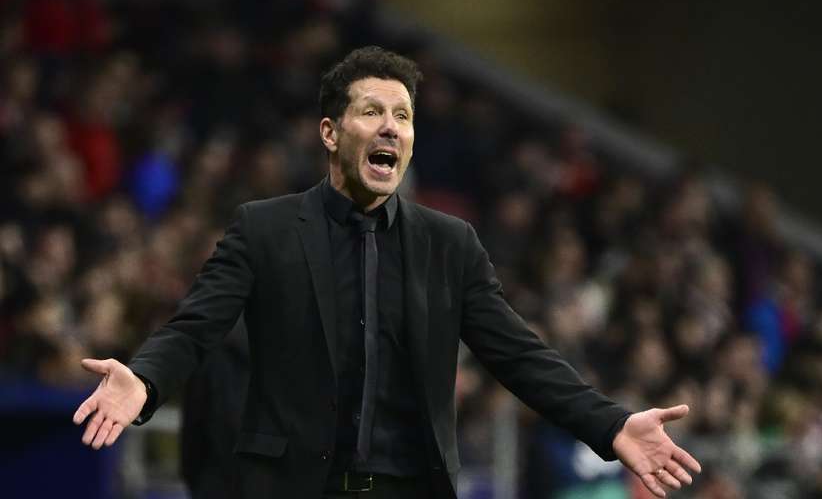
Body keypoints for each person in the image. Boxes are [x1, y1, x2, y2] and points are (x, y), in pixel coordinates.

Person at [73, 46, 701, 498]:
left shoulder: (449, 245)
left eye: (402, 116)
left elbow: (520, 356)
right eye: (372, 111)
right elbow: (196, 326)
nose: (391, 128)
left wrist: (610, 422)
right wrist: (146, 382)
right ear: (330, 131)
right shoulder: (264, 229)